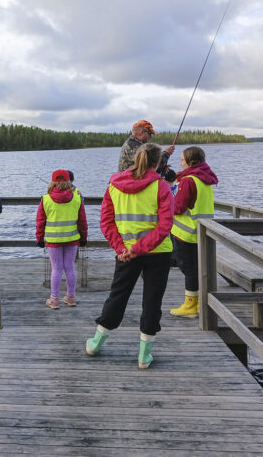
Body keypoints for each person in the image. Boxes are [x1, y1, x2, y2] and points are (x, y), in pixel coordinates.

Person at [86, 144, 174, 369]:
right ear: (157, 163)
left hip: (125, 253)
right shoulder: (161, 187)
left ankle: (95, 343)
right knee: (152, 301)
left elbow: (106, 222)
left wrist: (121, 249)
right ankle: (144, 357)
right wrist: (138, 249)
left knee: (117, 296)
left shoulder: (114, 185)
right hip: (157, 253)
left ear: (136, 159)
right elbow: (164, 226)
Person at [169, 146, 218, 318]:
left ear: (191, 161)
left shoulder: (189, 180)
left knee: (188, 269)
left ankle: (190, 306)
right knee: (196, 269)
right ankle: (198, 303)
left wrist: (169, 198)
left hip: (186, 233)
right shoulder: (204, 179)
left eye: (182, 159)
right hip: (201, 232)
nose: (180, 162)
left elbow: (179, 207)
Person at [36, 169, 88, 309]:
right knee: (70, 267)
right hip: (72, 239)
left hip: (53, 241)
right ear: (68, 181)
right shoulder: (77, 198)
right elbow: (82, 221)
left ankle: (54, 300)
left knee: (56, 269)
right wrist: (84, 237)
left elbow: (40, 221)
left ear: (53, 182)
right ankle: (71, 297)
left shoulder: (45, 199)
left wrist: (39, 238)